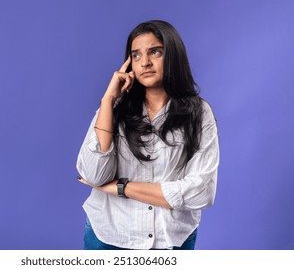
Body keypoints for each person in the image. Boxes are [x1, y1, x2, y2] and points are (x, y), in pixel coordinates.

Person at [76, 20, 219, 250]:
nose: (145, 62)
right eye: (136, 55)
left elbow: (201, 192)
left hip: (171, 241)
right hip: (109, 237)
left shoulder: (199, 113)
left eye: (155, 52)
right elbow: (94, 176)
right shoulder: (114, 108)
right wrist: (107, 100)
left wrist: (121, 187)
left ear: (173, 55)